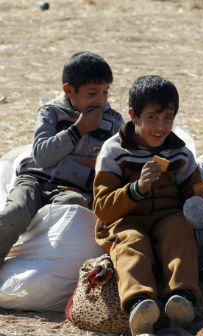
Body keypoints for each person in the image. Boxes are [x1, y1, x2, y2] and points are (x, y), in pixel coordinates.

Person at [93, 75, 203, 336]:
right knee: (131, 243)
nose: (161, 126)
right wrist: (136, 189)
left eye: (168, 118)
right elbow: (102, 207)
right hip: (126, 218)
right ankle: (139, 304)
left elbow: (191, 193)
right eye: (152, 117)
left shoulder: (179, 152)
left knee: (179, 231)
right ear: (133, 115)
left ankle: (182, 298)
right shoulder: (114, 152)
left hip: (167, 216)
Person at [0, 51, 123, 268]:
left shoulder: (113, 121)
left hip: (73, 189)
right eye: (92, 93)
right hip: (36, 179)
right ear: (69, 90)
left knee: (72, 211)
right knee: (13, 213)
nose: (101, 101)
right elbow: (41, 155)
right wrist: (78, 129)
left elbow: (114, 164)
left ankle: (39, 267)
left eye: (105, 93)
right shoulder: (53, 112)